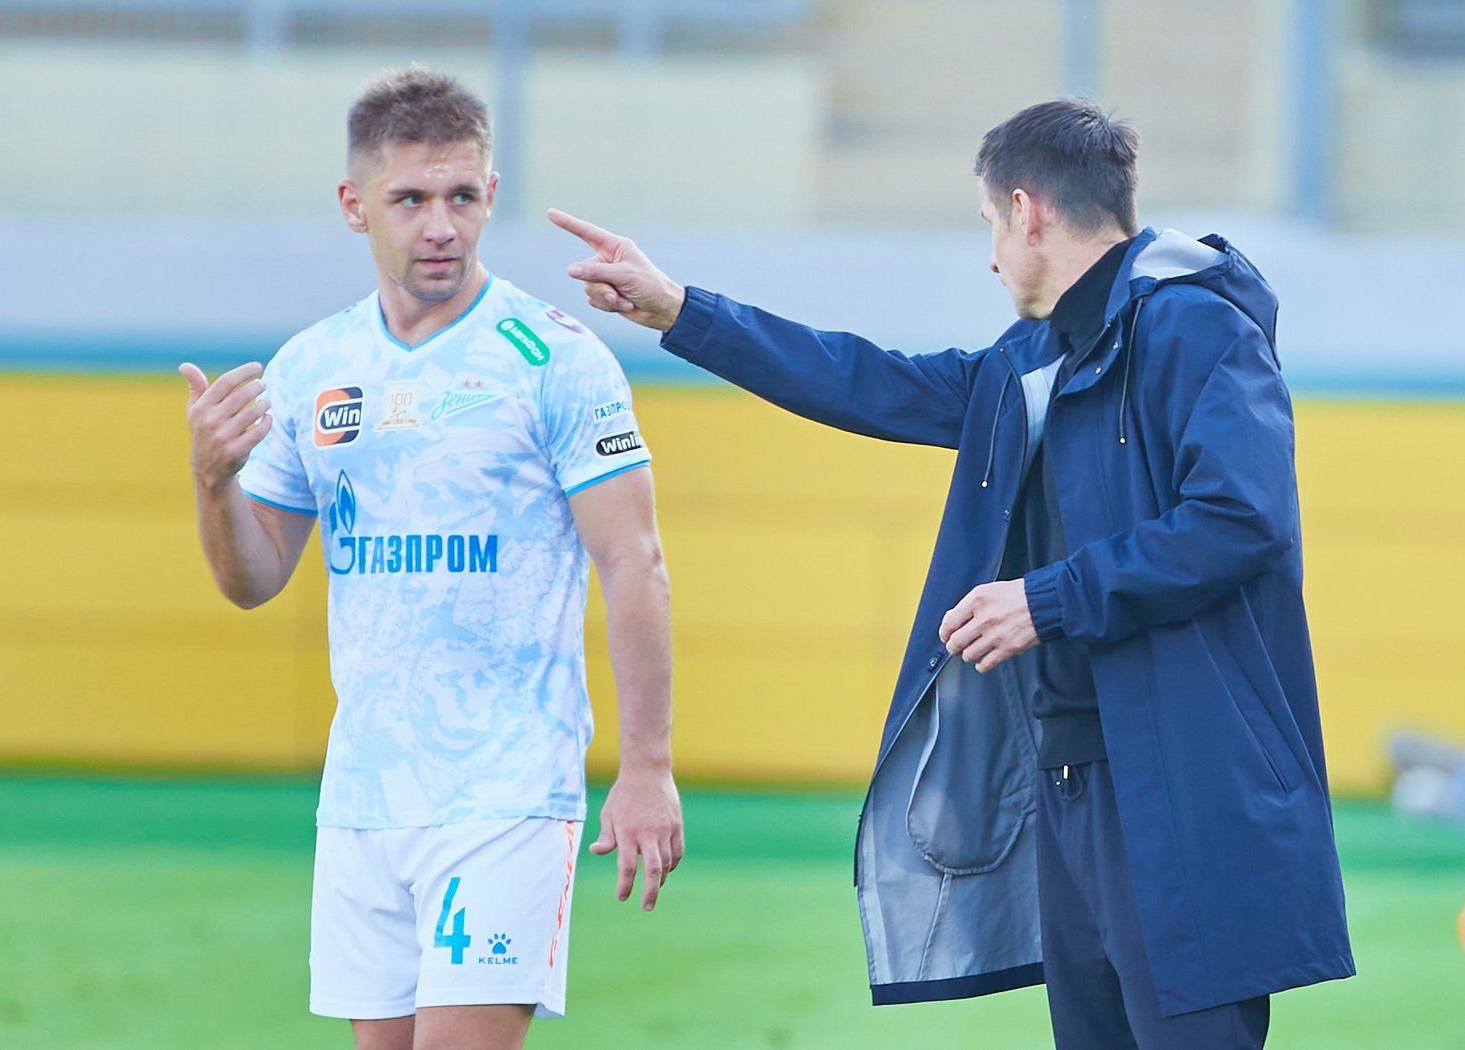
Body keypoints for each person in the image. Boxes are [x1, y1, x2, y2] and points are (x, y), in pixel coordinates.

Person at [550, 98, 1353, 1049]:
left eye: (987, 226)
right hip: (1067, 780)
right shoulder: (1029, 360)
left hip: (1183, 781)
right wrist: (682, 312)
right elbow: (865, 381)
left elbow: (1239, 521)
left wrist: (1046, 599)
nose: (990, 258)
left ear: (1025, 211)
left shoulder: (1197, 328)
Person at [178, 65, 682, 1050]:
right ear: (354, 205)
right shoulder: (312, 367)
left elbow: (636, 564)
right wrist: (212, 482)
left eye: (461, 197)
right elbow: (253, 579)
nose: (441, 225)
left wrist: (648, 768)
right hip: (363, 795)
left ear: (490, 194)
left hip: (507, 788)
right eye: (410, 199)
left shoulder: (556, 359)